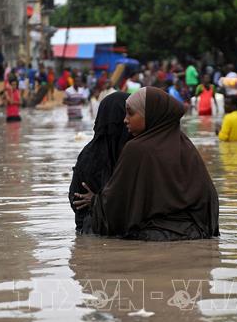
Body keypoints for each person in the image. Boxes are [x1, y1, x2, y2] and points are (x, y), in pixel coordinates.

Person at [74, 87, 220, 241]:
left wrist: (95, 202)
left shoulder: (136, 148)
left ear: (150, 115)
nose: (125, 120)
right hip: (198, 233)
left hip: (155, 237)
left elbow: (117, 204)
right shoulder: (186, 145)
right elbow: (208, 199)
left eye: (130, 113)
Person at [69, 92, 131, 233]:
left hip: (91, 231)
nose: (128, 120)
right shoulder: (130, 150)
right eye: (127, 114)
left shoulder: (88, 153)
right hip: (99, 230)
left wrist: (97, 201)